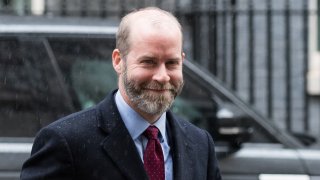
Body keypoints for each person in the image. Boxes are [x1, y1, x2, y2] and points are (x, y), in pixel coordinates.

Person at [20, 7, 222, 180]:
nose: (162, 76)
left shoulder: (200, 144)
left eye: (171, 63)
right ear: (118, 61)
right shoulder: (66, 142)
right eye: (148, 62)